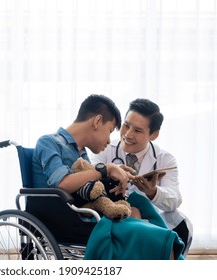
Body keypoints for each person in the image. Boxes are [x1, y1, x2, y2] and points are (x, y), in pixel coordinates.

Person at [32, 94, 184, 260]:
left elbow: (92, 187)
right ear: (97, 121)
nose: (110, 139)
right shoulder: (49, 142)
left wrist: (116, 178)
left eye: (138, 130)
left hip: (90, 214)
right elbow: (62, 184)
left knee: (139, 210)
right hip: (71, 219)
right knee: (157, 242)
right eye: (111, 130)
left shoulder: (80, 152)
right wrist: (105, 169)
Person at [91, 98, 193, 257]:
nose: (128, 134)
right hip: (119, 216)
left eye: (137, 130)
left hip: (152, 217)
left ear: (154, 135)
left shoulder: (165, 159)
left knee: (180, 222)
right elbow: (89, 181)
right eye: (126, 125)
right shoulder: (105, 150)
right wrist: (110, 172)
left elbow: (175, 199)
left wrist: (153, 192)